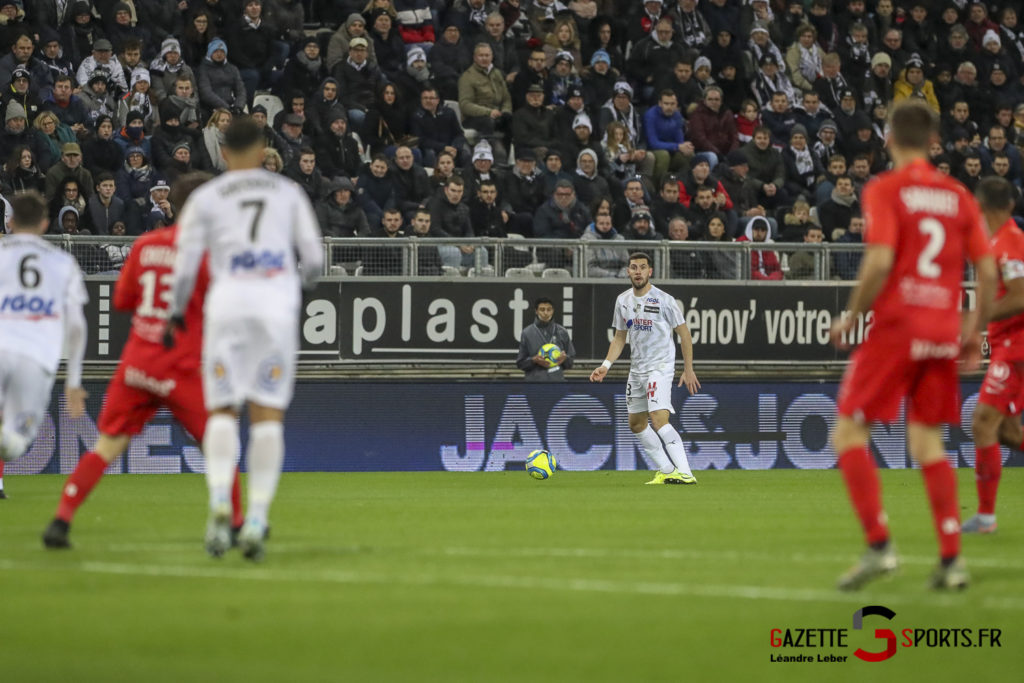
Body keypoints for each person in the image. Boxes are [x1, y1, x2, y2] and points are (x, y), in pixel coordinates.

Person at [829, 101, 997, 591]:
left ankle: (880, 547)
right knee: (927, 442)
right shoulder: (960, 195)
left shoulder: (886, 189)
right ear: (933, 140)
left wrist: (852, 316)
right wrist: (974, 330)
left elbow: (880, 260)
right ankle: (951, 560)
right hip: (943, 331)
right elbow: (986, 272)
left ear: (888, 138)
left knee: (848, 434)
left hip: (897, 325)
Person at [41, 174, 245, 547]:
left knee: (107, 446)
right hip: (182, 367)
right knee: (219, 444)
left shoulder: (146, 244)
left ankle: (61, 520)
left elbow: (122, 301)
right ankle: (237, 523)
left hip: (138, 364)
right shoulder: (210, 255)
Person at [169, 118, 323, 561]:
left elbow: (184, 268)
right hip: (274, 308)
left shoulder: (207, 196)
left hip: (227, 308)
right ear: (261, 151)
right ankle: (256, 516)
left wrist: (179, 310)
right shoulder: (287, 193)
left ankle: (220, 498)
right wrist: (295, 286)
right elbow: (314, 259)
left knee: (221, 409)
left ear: (222, 153)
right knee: (267, 415)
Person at [0, 191, 87, 501]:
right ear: (45, 224)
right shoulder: (62, 262)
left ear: (10, 222)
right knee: (16, 444)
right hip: (35, 359)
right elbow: (76, 326)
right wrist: (74, 382)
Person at [589, 251, 700, 485]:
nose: (637, 271)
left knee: (659, 419)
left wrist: (688, 369)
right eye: (633, 267)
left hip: (660, 366)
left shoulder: (664, 300)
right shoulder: (623, 301)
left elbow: (684, 334)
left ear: (650, 271)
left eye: (642, 267)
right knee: (636, 424)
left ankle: (686, 473)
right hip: (637, 369)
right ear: (628, 271)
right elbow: (620, 338)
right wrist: (605, 365)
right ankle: (667, 470)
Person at [965, 177, 1024, 535]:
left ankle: (985, 518)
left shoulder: (1009, 243)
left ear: (982, 205)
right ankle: (985, 516)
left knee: (981, 423)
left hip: (1016, 346)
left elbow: (1020, 297)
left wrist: (979, 318)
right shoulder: (996, 241)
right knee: (1006, 432)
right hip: (1007, 344)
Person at [516, 297, 576, 381]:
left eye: (549, 309)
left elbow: (571, 362)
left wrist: (565, 359)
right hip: (533, 383)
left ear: (553, 311)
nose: (546, 313)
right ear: (536, 311)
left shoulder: (562, 332)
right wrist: (534, 360)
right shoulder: (527, 333)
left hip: (557, 383)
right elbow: (520, 363)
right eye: (542, 309)